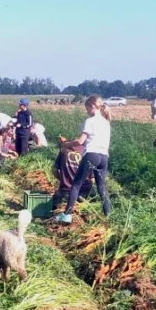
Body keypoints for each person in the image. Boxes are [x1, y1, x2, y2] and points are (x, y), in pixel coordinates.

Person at [55, 96, 111, 224]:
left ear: (92, 107)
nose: (87, 112)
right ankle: (108, 216)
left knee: (76, 184)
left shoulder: (90, 121)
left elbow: (81, 141)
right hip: (104, 157)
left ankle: (67, 215)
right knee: (101, 186)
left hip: (92, 154)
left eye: (87, 109)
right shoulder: (106, 122)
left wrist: (67, 144)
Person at [52, 137, 92, 211]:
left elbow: (54, 170)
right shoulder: (88, 153)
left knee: (54, 203)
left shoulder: (64, 150)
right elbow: (92, 179)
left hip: (65, 191)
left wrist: (63, 180)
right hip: (82, 193)